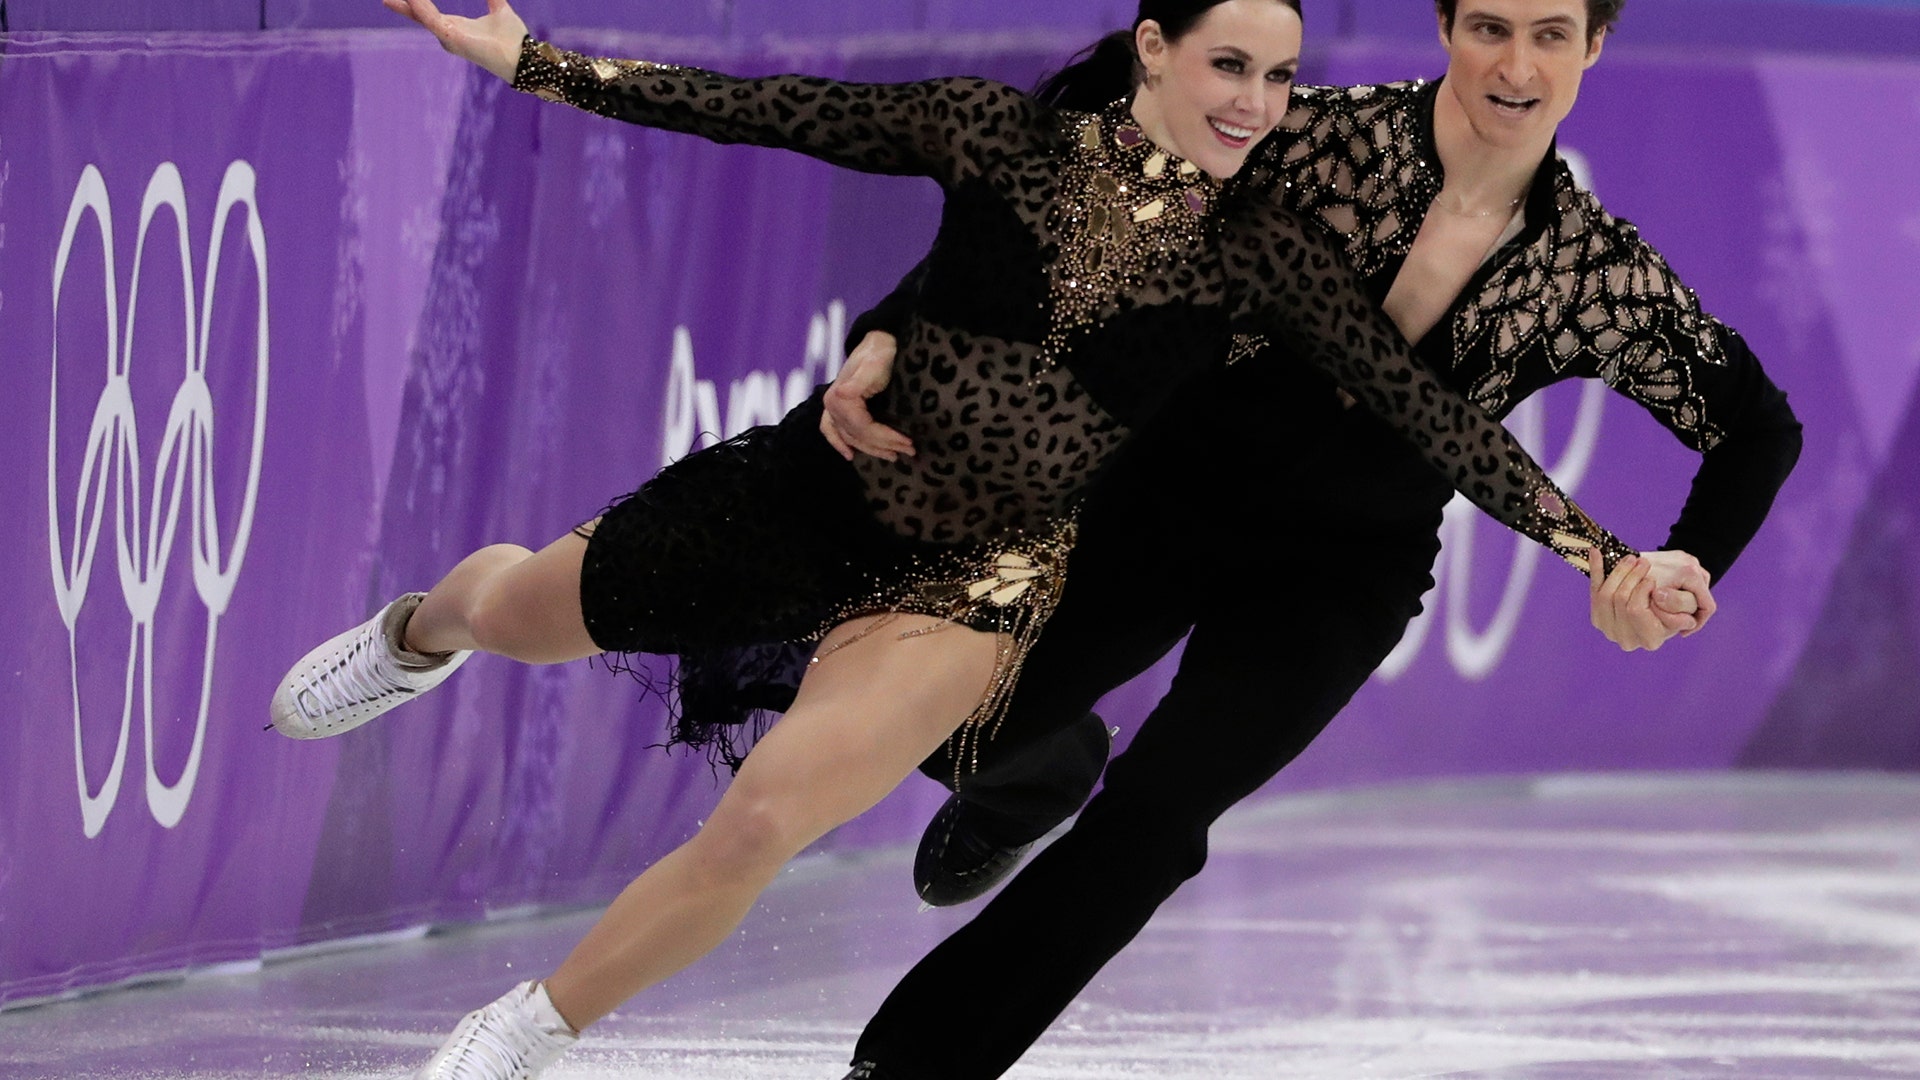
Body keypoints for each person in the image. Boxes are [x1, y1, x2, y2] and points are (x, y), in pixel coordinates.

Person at [274, 0, 1664, 1076]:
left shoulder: (1263, 254)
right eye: (1230, 66)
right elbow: (764, 110)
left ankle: (533, 1027)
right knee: (520, 613)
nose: (1257, 104)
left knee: (764, 815)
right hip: (814, 493)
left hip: (974, 581)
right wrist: (538, 63)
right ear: (1154, 51)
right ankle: (419, 635)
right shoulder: (994, 136)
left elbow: (1437, 417)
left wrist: (1597, 550)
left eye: (1281, 77)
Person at [821, 0, 1803, 1076]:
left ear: (1595, 47)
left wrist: (1681, 561)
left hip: (1343, 572)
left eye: (1551, 34)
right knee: (944, 729)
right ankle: (1032, 770)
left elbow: (1758, 429)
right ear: (1444, 26)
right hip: (1166, 495)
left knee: (1156, 820)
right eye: (1489, 26)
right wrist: (888, 330)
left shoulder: (1593, 277)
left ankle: (916, 1061)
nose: (1515, 64)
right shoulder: (1312, 140)